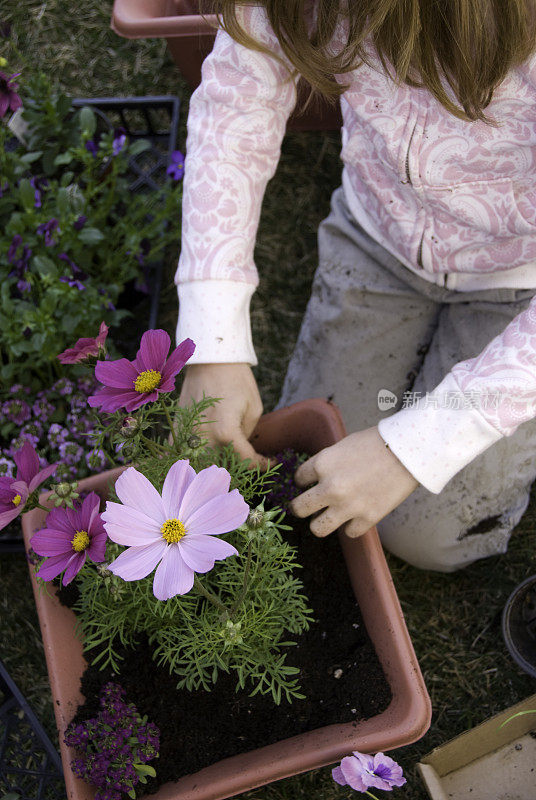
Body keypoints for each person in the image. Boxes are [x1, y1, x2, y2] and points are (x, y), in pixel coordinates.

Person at [177, 0, 536, 572]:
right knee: (313, 462)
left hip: (520, 279)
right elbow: (234, 113)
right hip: (379, 233)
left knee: (427, 538)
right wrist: (210, 337)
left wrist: (415, 446)